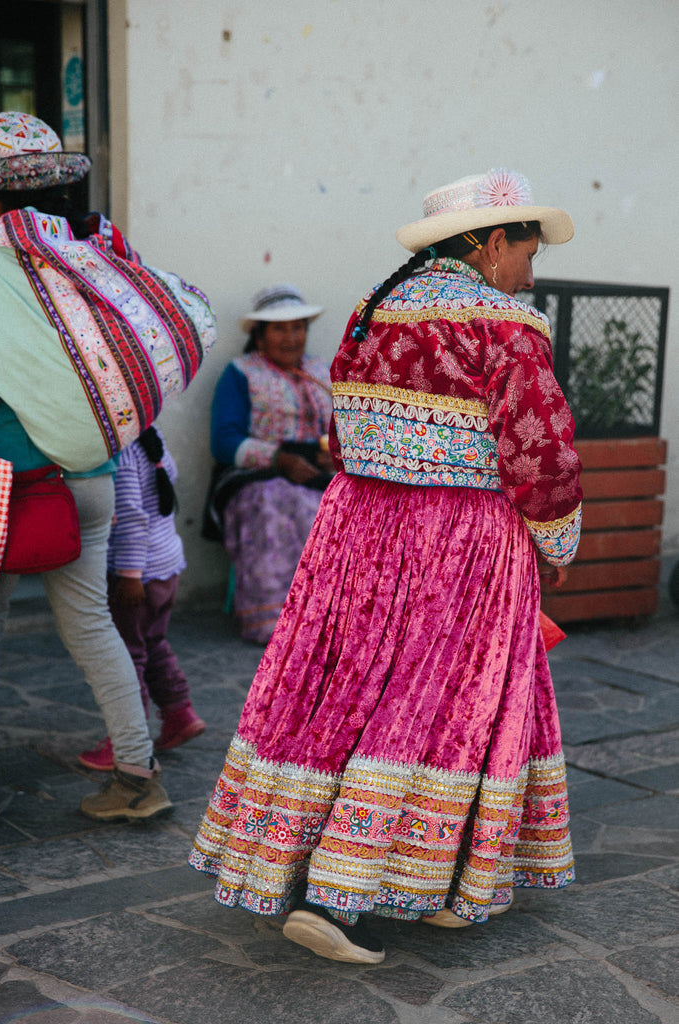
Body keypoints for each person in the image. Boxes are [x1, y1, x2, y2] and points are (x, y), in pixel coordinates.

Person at [190, 168, 582, 964]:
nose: (531, 274)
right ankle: (344, 898)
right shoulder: (506, 326)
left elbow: (339, 436)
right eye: (527, 253)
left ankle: (347, 875)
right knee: (443, 701)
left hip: (359, 528)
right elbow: (538, 450)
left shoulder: (375, 310)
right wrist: (554, 539)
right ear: (491, 242)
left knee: (349, 689)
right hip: (459, 536)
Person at [0, 111, 215, 822]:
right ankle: (137, 778)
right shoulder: (92, 252)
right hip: (90, 476)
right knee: (92, 626)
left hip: (9, 481)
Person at [206, 284, 334, 644]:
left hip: (318, 471)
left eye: (298, 327)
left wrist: (334, 454)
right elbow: (223, 441)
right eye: (279, 328)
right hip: (255, 474)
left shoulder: (322, 371)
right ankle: (274, 620)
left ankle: (335, 619)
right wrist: (279, 459)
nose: (291, 337)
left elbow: (344, 428)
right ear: (260, 335)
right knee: (277, 500)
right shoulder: (241, 373)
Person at [78, 426, 206, 772]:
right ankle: (179, 713)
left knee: (127, 654)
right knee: (152, 641)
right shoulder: (152, 437)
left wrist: (129, 576)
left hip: (137, 575)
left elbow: (132, 517)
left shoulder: (123, 452)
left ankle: (125, 741)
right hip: (165, 567)